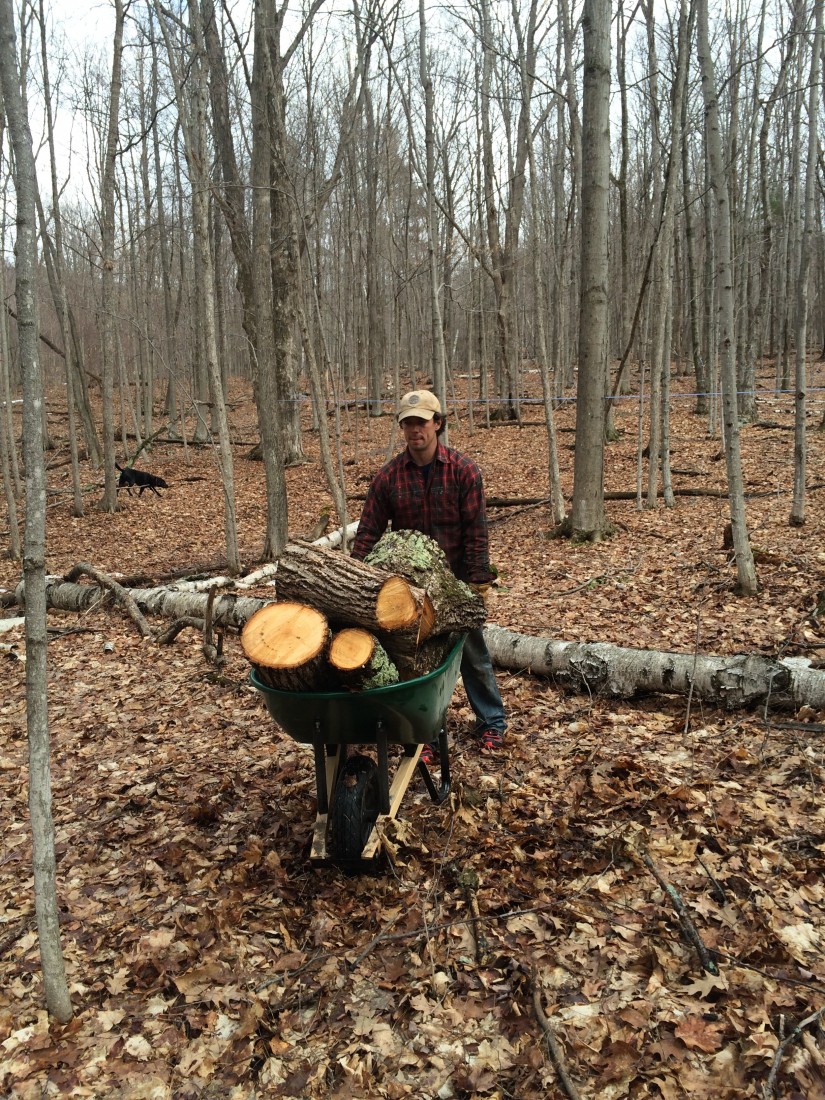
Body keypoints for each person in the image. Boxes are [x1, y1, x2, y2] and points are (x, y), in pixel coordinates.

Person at [351, 389, 507, 755]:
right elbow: (369, 531)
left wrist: (478, 580)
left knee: (474, 656)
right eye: (408, 423)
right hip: (409, 594)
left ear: (438, 423)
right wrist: (357, 577)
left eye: (421, 422)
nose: (414, 430)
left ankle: (492, 722)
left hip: (454, 584)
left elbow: (476, 530)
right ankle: (425, 732)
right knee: (417, 666)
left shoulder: (464, 471)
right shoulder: (388, 478)